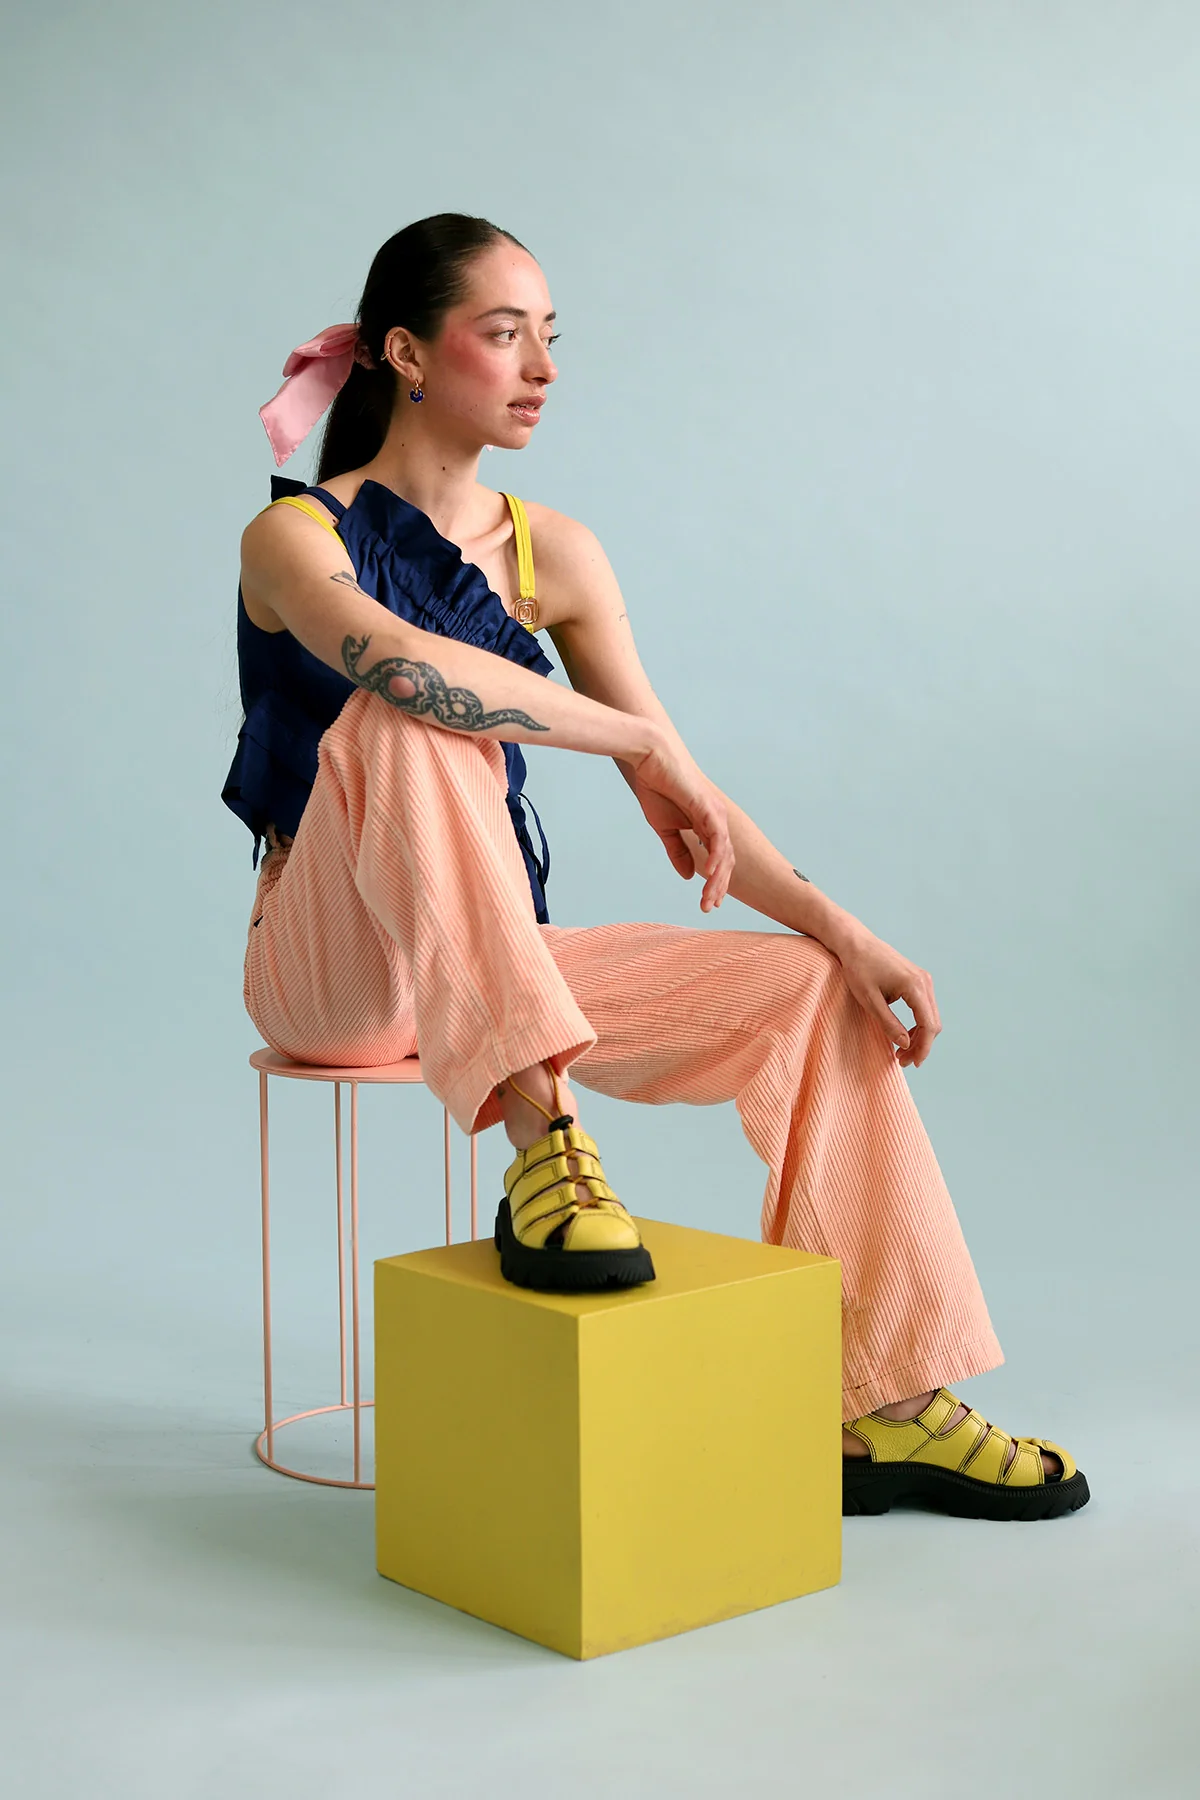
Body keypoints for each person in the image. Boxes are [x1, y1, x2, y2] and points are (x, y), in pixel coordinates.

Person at [223, 213, 1088, 1522]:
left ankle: (886, 1405)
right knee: (411, 712)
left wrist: (841, 929)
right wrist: (625, 738)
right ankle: (547, 1151)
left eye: (549, 337)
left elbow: (685, 790)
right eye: (503, 334)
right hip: (334, 970)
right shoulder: (296, 537)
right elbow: (400, 664)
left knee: (810, 990)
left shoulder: (554, 553)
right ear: (405, 353)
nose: (542, 367)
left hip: (493, 955)